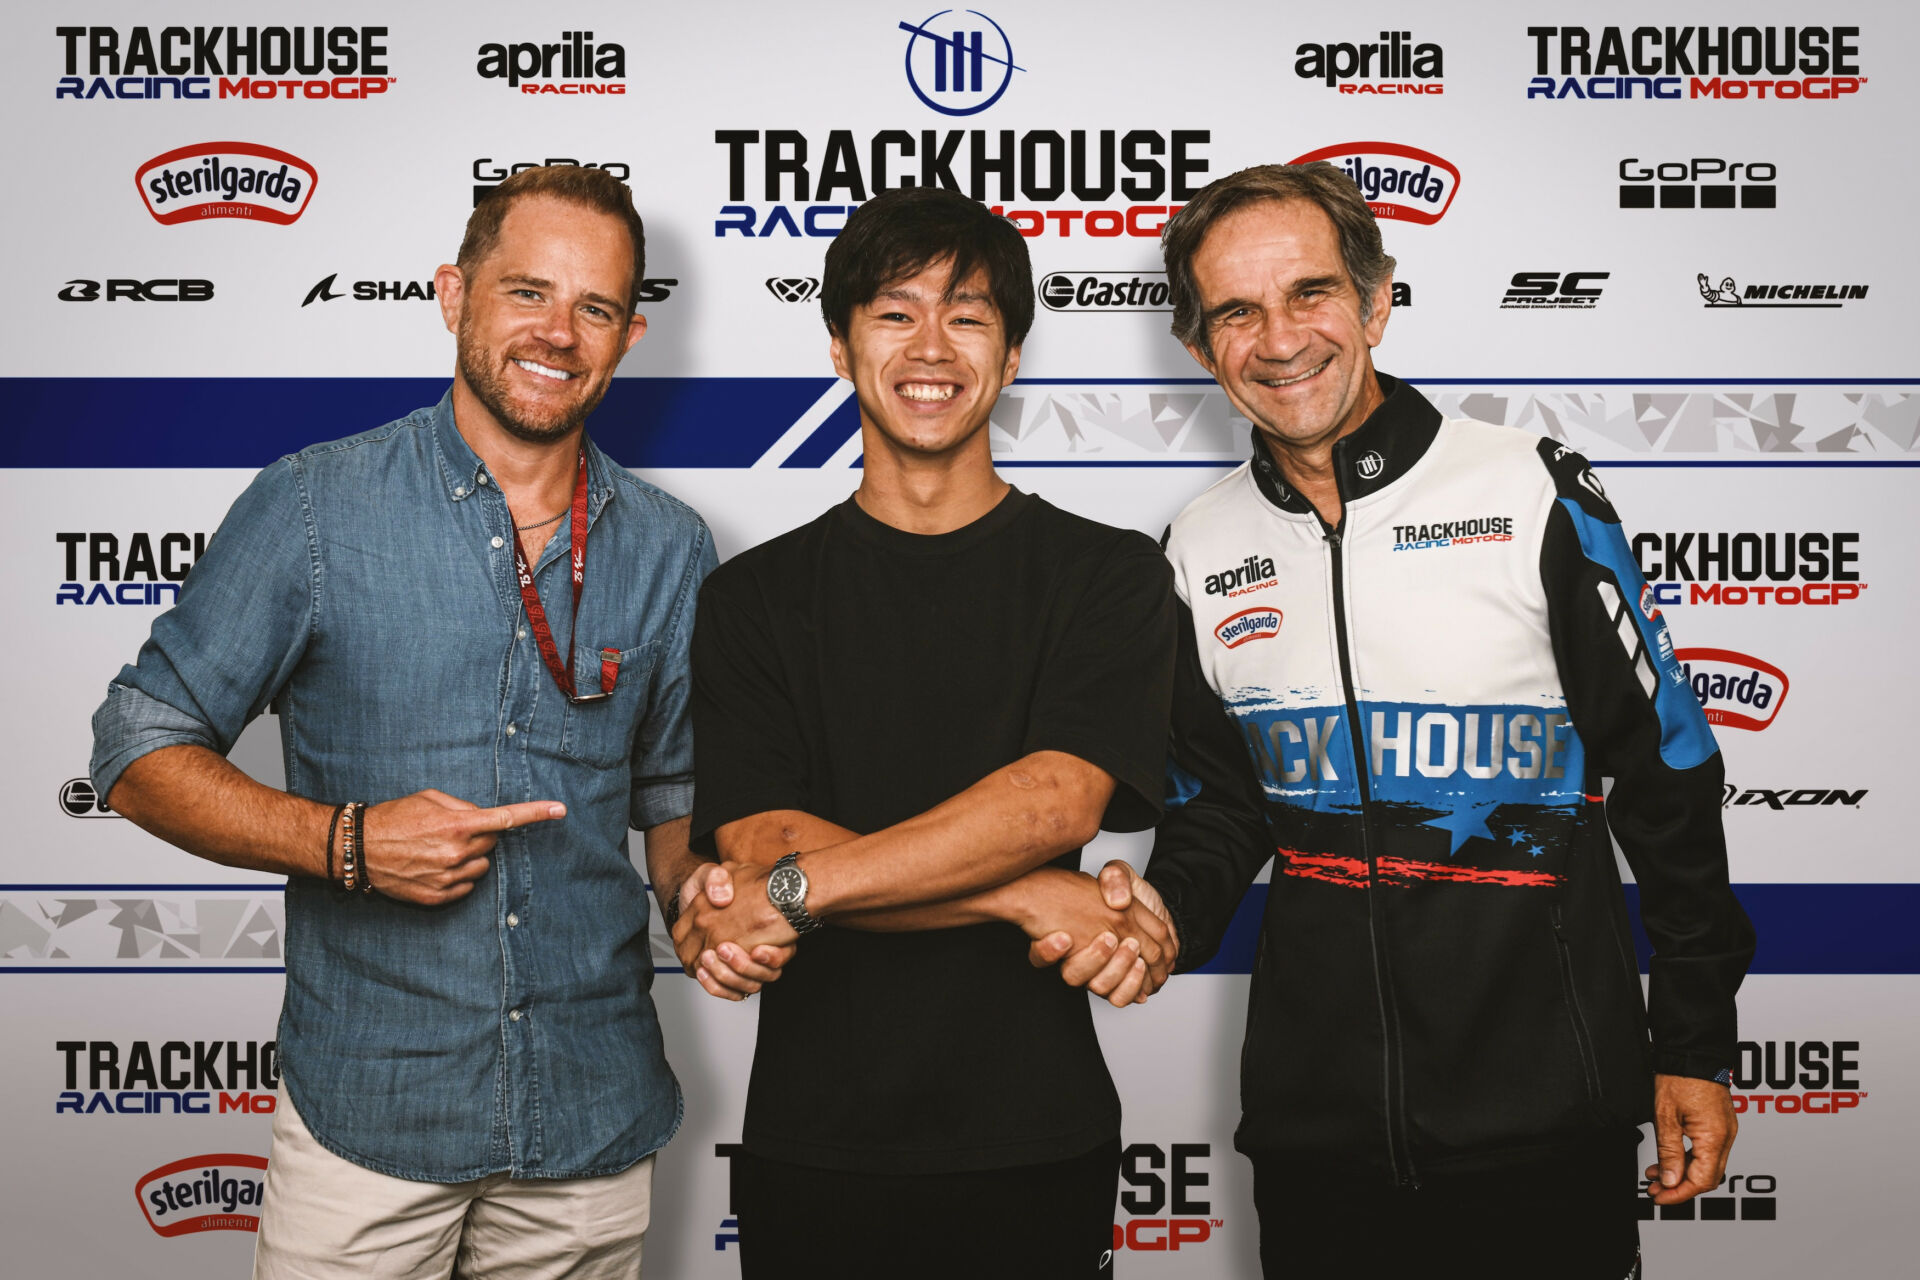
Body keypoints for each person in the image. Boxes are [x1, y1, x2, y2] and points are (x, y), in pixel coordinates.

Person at [1100, 162, 1757, 1278]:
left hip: (1546, 1120)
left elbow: (1669, 771)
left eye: (1310, 293)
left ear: (1375, 301)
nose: (1280, 337)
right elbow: (1218, 809)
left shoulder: (1528, 488)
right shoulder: (1196, 547)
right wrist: (1158, 914)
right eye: (1237, 312)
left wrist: (1693, 1039)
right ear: (1203, 345)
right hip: (1319, 1142)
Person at [89, 166, 715, 1279]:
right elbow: (137, 745)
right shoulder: (316, 506)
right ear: (453, 294)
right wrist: (349, 843)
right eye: (528, 293)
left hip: (589, 1123)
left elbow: (670, 790)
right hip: (368, 1127)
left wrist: (702, 894)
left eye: (597, 308)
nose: (559, 333)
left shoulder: (671, 545)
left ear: (629, 334)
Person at [668, 185, 1179, 1277]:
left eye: (970, 313)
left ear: (1015, 352)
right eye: (895, 312)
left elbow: (1054, 802)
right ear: (842, 346)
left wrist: (811, 888)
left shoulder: (1110, 576)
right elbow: (759, 844)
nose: (931, 346)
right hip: (816, 1144)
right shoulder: (753, 597)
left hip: (1038, 1139)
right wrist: (1019, 888)